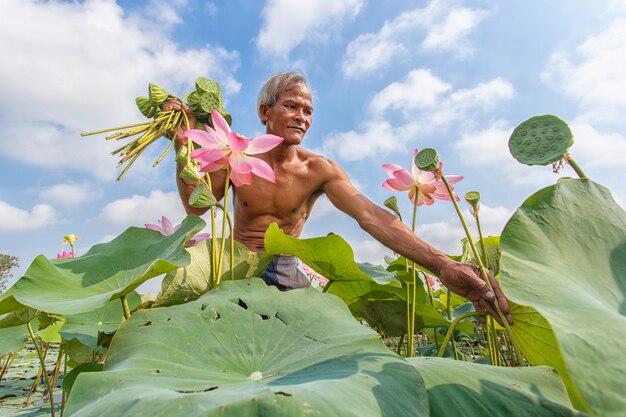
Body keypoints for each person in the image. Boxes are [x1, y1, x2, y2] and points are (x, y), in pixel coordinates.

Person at [164, 71, 512, 325]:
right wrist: (183, 144)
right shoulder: (234, 153)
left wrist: (443, 265)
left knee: (311, 348)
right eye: (291, 106)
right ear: (264, 112)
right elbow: (198, 204)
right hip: (234, 268)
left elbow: (371, 215)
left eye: (308, 110)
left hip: (284, 269)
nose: (301, 116)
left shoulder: (320, 169)